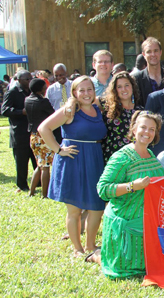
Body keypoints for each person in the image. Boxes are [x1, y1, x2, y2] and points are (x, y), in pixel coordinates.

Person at [90, 111, 164, 278]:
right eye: (143, 127)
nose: (147, 132)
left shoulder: (150, 155)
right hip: (125, 218)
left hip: (147, 218)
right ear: (133, 129)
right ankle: (99, 255)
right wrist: (133, 186)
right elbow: (103, 189)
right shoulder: (122, 157)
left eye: (152, 129)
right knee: (125, 271)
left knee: (153, 267)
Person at [38, 76, 107, 257]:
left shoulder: (98, 109)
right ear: (74, 93)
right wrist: (58, 150)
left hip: (94, 159)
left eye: (89, 89)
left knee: (97, 206)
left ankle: (91, 245)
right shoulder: (70, 110)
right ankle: (77, 249)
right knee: (74, 208)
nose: (86, 93)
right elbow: (43, 128)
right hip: (73, 160)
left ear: (94, 91)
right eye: (81, 90)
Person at [25, 78, 62, 197]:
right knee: (45, 167)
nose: (46, 88)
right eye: (44, 87)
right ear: (40, 89)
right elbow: (53, 115)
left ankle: (31, 192)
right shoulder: (43, 102)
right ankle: (44, 194)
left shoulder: (27, 99)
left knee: (40, 165)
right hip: (43, 137)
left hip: (33, 136)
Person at [1, 70, 37, 193]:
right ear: (19, 80)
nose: (29, 81)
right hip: (19, 131)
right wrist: (20, 112)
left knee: (35, 159)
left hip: (32, 130)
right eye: (27, 79)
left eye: (30, 78)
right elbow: (5, 110)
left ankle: (38, 182)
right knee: (21, 161)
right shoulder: (12, 92)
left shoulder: (33, 92)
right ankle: (22, 184)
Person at [100, 71, 144, 163]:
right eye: (119, 87)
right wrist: (72, 102)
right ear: (115, 90)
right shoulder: (107, 106)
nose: (124, 89)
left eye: (127, 85)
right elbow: (87, 100)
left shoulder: (140, 111)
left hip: (134, 159)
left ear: (132, 87)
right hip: (112, 158)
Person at [133, 37, 164, 107]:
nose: (153, 54)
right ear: (144, 55)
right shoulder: (136, 79)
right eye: (149, 52)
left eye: (156, 51)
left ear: (161, 52)